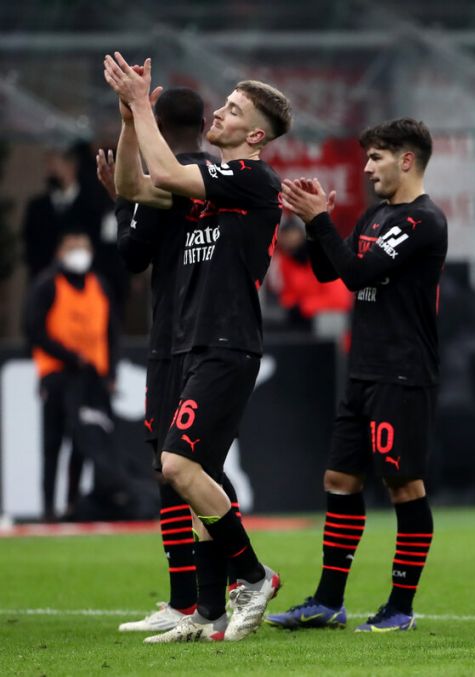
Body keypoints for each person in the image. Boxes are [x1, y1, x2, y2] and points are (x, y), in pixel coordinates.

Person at [104, 53, 291, 642]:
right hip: (191, 342)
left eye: (234, 110)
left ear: (254, 134)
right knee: (192, 472)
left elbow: (170, 173)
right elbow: (134, 186)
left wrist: (142, 106)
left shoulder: (252, 179)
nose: (221, 112)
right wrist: (132, 121)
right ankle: (206, 610)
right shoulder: (203, 184)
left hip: (226, 342)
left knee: (180, 466)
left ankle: (254, 577)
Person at [267, 118, 447, 633]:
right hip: (365, 370)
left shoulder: (423, 221)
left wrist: (321, 220)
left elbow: (358, 273)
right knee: (339, 479)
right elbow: (331, 271)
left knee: (403, 485)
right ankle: (328, 601)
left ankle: (401, 607)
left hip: (403, 372)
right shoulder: (376, 215)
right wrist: (311, 224)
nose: (367, 168)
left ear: (406, 160)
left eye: (376, 158)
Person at [95, 87, 246, 637]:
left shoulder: (171, 180)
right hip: (204, 333)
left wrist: (120, 198)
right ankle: (200, 596)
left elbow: (133, 254)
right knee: (188, 466)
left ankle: (223, 585)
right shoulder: (214, 177)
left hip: (176, 336)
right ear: (204, 122)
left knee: (177, 467)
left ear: (155, 121)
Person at [24, 230, 118, 521]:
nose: (80, 254)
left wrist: (110, 372)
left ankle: (73, 506)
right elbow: (33, 328)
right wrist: (69, 356)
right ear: (60, 253)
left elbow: (113, 332)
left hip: (92, 378)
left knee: (85, 443)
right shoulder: (47, 284)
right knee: (53, 442)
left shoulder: (98, 285)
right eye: (73, 248)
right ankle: (49, 509)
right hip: (58, 374)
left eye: (84, 247)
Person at [22, 147, 105, 279]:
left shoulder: (92, 206)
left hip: (82, 282)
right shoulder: (37, 208)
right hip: (45, 282)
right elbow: (30, 248)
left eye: (53, 163)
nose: (49, 170)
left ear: (71, 165)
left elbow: (100, 248)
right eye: (47, 163)